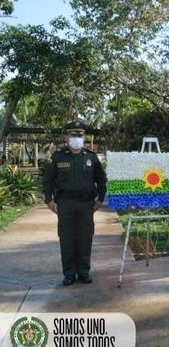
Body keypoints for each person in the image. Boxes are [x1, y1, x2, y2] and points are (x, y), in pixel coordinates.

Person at [43, 120, 107, 286]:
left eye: (80, 135)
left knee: (85, 238)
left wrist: (100, 199)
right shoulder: (57, 157)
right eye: (73, 135)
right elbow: (48, 180)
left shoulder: (91, 157)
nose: (77, 138)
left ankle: (84, 272)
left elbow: (101, 179)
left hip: (86, 204)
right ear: (67, 137)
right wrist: (48, 200)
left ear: (84, 137)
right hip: (65, 204)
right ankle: (69, 274)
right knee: (67, 239)